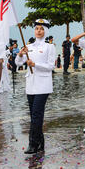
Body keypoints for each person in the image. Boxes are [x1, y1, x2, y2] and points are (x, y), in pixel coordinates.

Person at [15, 19, 56, 154]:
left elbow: (51, 66)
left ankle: (32, 144)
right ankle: (41, 143)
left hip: (43, 85)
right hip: (31, 84)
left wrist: (35, 65)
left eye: (42, 29)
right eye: (37, 28)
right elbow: (18, 63)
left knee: (37, 114)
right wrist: (20, 54)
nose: (39, 31)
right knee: (34, 115)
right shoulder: (29, 46)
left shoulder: (49, 47)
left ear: (46, 31)